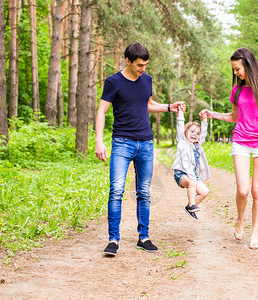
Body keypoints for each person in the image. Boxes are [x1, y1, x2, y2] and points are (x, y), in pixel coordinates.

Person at [95, 43, 185, 256]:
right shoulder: (113, 82)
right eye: (139, 65)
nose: (143, 68)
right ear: (128, 61)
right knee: (116, 191)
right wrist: (99, 141)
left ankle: (143, 237)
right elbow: (101, 112)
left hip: (145, 143)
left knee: (144, 192)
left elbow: (147, 104)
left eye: (145, 64)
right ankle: (113, 240)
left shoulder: (147, 80)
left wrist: (169, 107)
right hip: (121, 143)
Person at [200, 48, 258, 250]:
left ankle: (254, 233)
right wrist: (212, 114)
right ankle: (240, 220)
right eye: (234, 70)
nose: (236, 73)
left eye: (238, 69)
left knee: (257, 190)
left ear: (248, 65)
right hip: (241, 141)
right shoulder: (236, 91)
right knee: (243, 190)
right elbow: (234, 117)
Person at [172, 107, 210, 221]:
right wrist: (180, 114)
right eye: (192, 131)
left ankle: (189, 207)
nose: (194, 134)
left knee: (204, 192)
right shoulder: (182, 142)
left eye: (197, 133)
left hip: (193, 175)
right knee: (192, 182)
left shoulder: (198, 145)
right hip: (181, 174)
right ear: (185, 132)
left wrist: (204, 121)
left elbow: (202, 134)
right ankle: (192, 204)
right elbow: (179, 127)